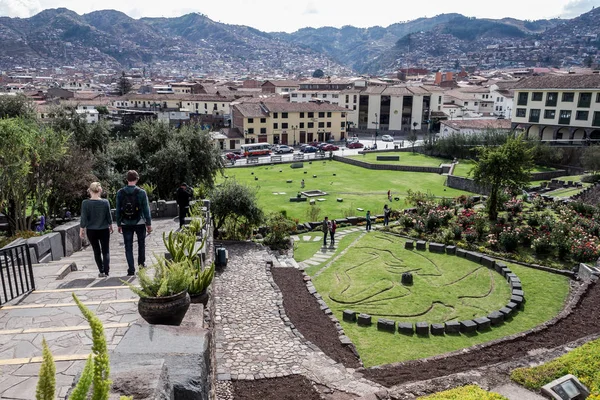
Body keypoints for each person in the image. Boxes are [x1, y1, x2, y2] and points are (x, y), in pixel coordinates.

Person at [116, 170, 153, 276]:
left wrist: (119, 223)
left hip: (125, 223)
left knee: (128, 246)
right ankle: (141, 265)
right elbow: (146, 209)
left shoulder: (120, 193)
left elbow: (118, 209)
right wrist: (148, 223)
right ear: (137, 179)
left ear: (127, 179)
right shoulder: (141, 192)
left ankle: (131, 270)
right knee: (141, 244)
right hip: (140, 222)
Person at [80, 182, 113, 278]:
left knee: (96, 251)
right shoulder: (105, 202)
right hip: (104, 229)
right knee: (105, 250)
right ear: (100, 190)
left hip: (91, 230)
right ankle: (106, 271)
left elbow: (84, 218)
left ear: (90, 191)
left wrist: (81, 229)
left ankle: (101, 271)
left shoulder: (85, 203)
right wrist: (110, 225)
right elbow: (108, 216)